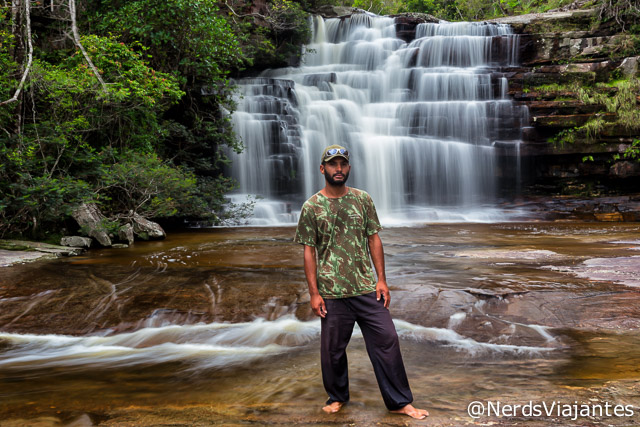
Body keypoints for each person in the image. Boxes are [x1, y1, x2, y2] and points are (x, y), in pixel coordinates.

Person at [294, 144, 429, 420]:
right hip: (331, 292)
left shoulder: (362, 200)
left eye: (343, 164)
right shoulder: (311, 207)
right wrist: (314, 293)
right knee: (332, 351)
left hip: (367, 288)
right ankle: (337, 397)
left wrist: (382, 279)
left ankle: (399, 402)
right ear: (323, 169)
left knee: (387, 340)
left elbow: (373, 238)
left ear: (349, 168)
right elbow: (309, 250)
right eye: (333, 165)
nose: (338, 169)